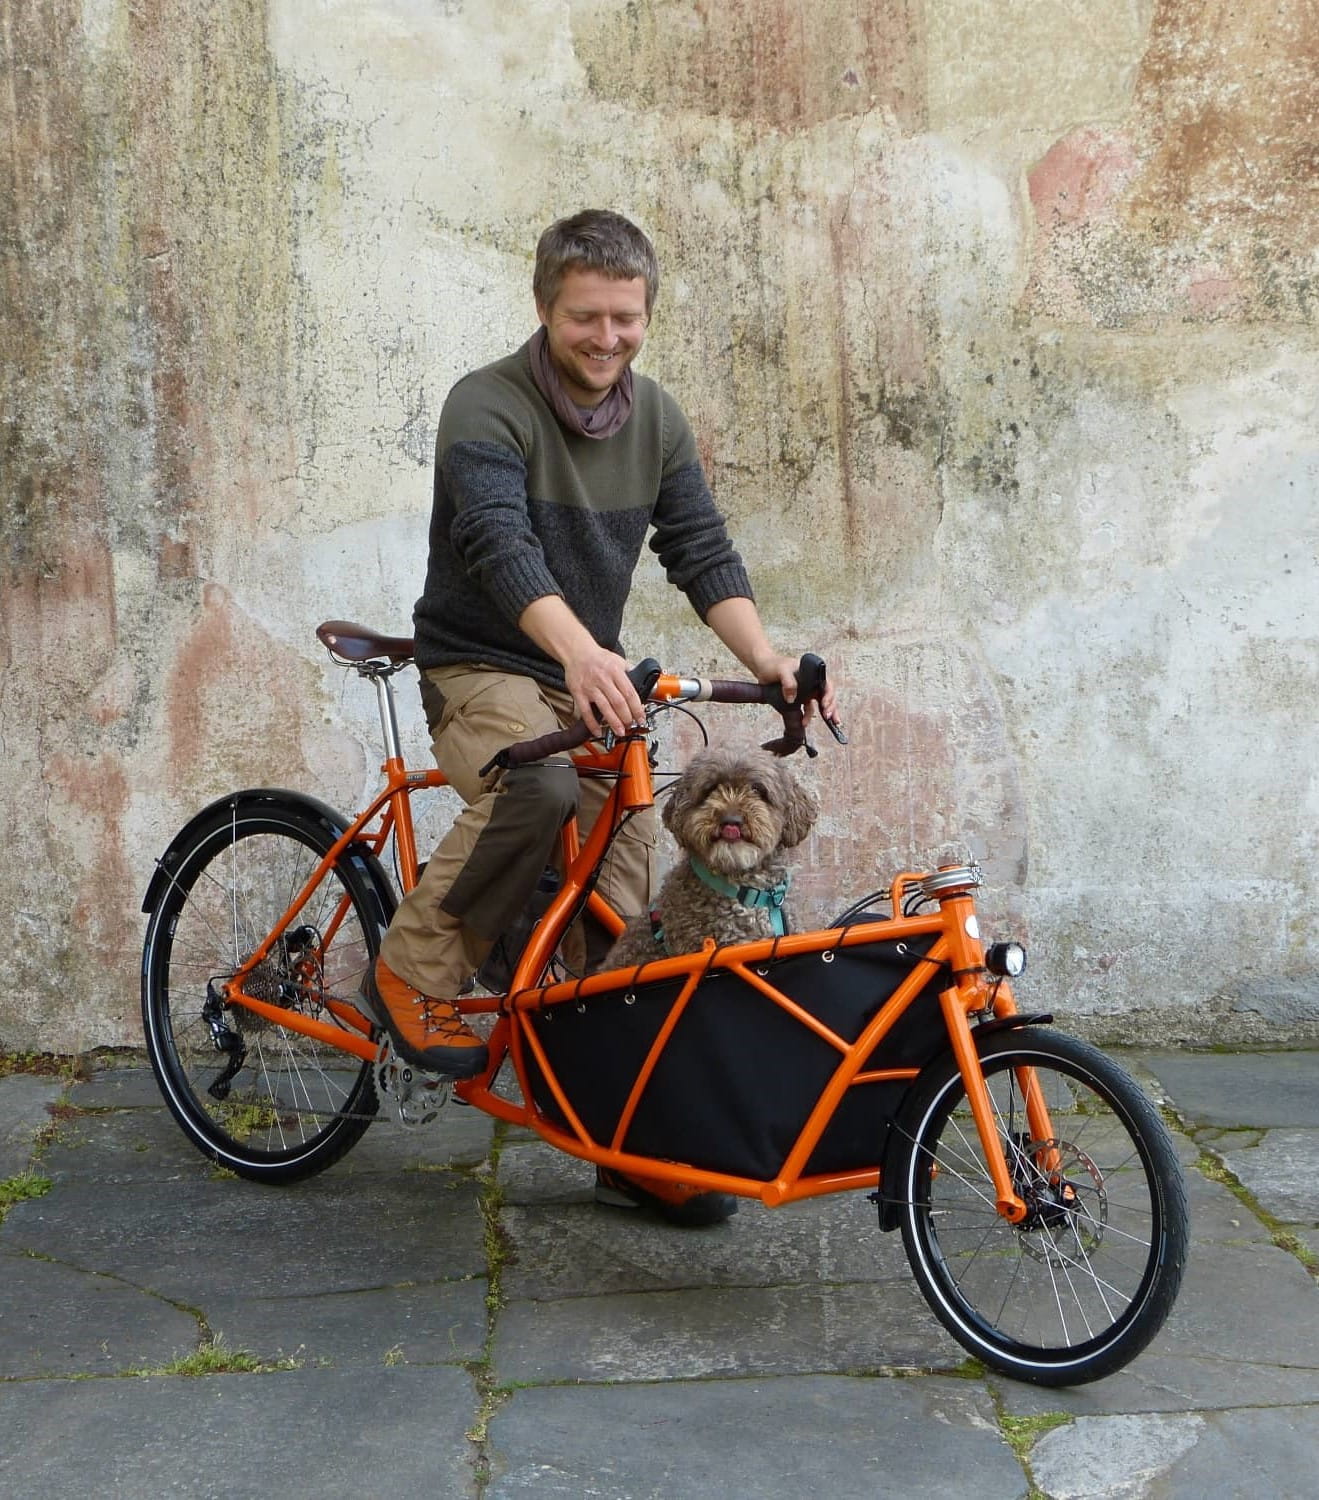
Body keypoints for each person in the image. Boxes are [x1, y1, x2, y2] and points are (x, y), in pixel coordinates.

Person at [365, 209, 835, 1224]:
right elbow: (498, 544)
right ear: (545, 309)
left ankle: (626, 1137)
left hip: (589, 676)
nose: (606, 338)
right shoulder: (484, 405)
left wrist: (768, 663)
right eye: (586, 317)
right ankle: (415, 967)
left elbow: (700, 550)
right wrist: (582, 653)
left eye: (625, 319)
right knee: (532, 785)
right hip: (483, 663)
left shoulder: (655, 420)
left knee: (628, 922)